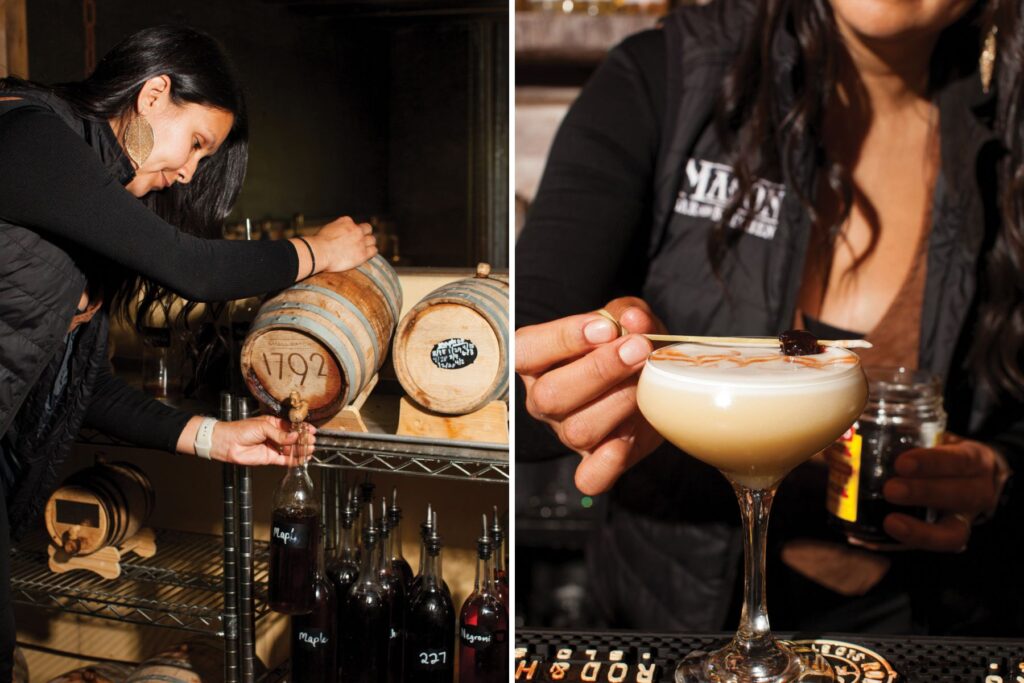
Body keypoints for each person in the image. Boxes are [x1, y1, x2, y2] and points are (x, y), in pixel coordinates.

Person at [516, 0, 1024, 636]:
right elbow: (516, 375)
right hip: (671, 623)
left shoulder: (1008, 133)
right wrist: (571, 379)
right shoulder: (670, 75)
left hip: (915, 625)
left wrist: (997, 477)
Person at [0, 25, 378, 676]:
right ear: (153, 95)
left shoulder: (82, 218)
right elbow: (193, 268)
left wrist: (215, 437)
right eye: (197, 144)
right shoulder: (28, 136)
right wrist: (320, 253)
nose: (188, 173)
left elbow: (78, 386)